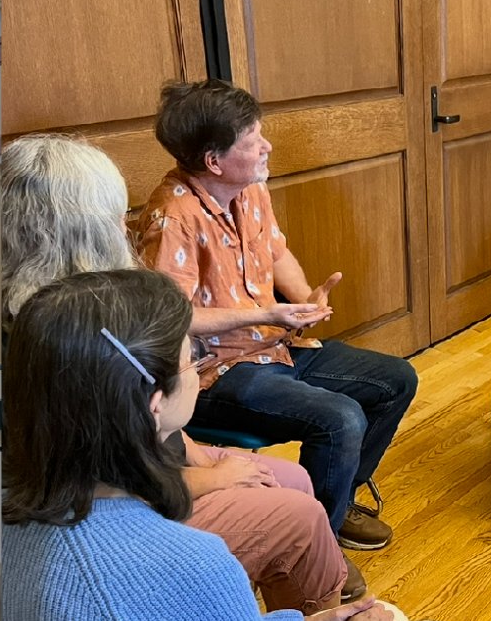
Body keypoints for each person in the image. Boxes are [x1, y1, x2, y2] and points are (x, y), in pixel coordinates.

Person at [4, 268, 468, 621]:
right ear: (152, 404)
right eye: (191, 357)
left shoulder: (8, 532)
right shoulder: (186, 561)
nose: (199, 368)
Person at [6, 132, 362, 610]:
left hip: (153, 468)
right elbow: (104, 486)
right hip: (121, 514)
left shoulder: (86, 306)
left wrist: (201, 457)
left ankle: (271, 595)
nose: (124, 224)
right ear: (86, 226)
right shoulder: (69, 334)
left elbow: (153, 432)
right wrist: (212, 479)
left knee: (296, 484)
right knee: (301, 511)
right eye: (115, 214)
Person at [134, 80, 419, 551]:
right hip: (214, 374)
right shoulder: (173, 218)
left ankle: (336, 501)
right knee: (341, 418)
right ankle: (316, 541)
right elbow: (171, 319)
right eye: (253, 141)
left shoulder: (249, 188)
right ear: (214, 161)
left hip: (277, 346)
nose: (267, 147)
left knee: (396, 379)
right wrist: (264, 313)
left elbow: (277, 252)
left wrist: (306, 300)